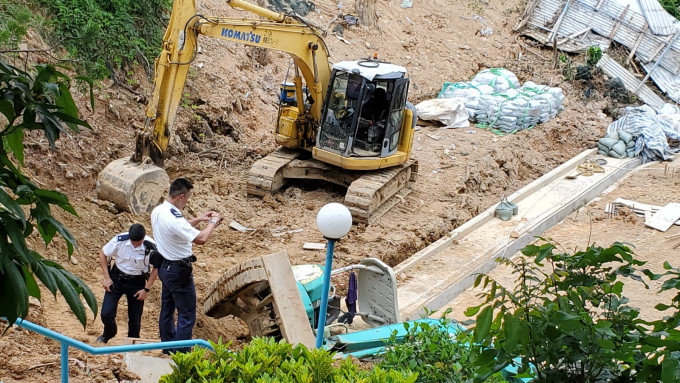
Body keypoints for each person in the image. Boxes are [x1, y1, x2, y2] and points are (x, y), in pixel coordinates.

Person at [151, 177, 222, 353]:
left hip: (165, 268)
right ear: (181, 196)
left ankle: (167, 348)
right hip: (179, 271)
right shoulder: (174, 217)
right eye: (187, 198)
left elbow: (178, 227)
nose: (186, 202)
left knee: (167, 310)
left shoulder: (160, 210)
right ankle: (181, 355)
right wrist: (213, 222)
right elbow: (201, 239)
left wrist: (199, 219)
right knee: (186, 315)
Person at [97, 223, 158, 344]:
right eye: (133, 243)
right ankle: (109, 332)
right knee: (106, 313)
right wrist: (107, 278)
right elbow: (103, 254)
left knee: (135, 317)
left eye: (138, 243)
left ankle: (132, 344)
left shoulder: (151, 247)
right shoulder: (120, 240)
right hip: (117, 279)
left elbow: (157, 267)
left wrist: (146, 289)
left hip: (137, 282)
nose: (135, 246)